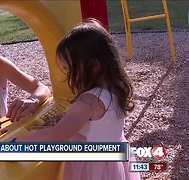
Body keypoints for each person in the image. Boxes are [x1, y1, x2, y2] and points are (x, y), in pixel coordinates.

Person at [14, 19, 141, 180]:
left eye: (68, 69)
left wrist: (17, 143)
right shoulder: (115, 89)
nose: (67, 76)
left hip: (93, 167)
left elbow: (56, 134)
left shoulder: (87, 102)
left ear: (93, 66)